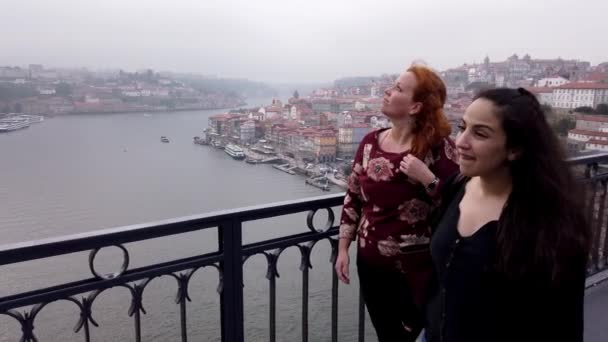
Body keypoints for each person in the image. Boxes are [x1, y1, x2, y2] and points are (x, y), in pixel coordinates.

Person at [425, 88, 589, 342]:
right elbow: (438, 278)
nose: (460, 141)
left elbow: (563, 322)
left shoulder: (549, 223)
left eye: (479, 133)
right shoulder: (457, 186)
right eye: (462, 127)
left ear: (515, 149)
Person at [335, 64, 459, 341]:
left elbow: (459, 204)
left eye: (398, 89)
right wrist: (343, 248)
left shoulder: (437, 148)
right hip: (370, 266)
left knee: (412, 335)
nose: (387, 91)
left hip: (416, 269)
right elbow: (353, 197)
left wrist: (427, 178)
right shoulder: (369, 143)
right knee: (386, 334)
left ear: (415, 106)